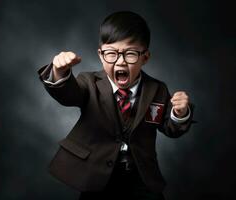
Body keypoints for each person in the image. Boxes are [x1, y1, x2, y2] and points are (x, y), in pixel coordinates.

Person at [38, 11, 194, 200]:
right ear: (101, 55)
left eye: (130, 54)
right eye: (111, 53)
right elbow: (68, 94)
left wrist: (180, 113)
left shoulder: (157, 89)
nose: (120, 61)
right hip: (96, 177)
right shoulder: (88, 82)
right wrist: (58, 71)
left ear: (145, 57)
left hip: (141, 177)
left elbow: (170, 128)